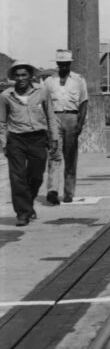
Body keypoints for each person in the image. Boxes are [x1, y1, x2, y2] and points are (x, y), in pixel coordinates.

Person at [0, 62, 61, 226]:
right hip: (16, 139)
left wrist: (54, 138)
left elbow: (50, 116)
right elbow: (2, 122)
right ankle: (23, 213)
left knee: (36, 176)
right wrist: (4, 143)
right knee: (17, 177)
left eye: (24, 75)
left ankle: (27, 203)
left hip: (37, 139)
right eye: (17, 75)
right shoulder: (6, 96)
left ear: (30, 76)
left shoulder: (42, 91)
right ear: (13, 77)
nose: (20, 78)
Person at [42, 49, 89, 204]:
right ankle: (52, 191)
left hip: (72, 117)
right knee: (54, 154)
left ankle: (69, 192)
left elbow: (83, 102)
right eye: (60, 64)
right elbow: (44, 104)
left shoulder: (79, 80)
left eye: (65, 64)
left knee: (70, 157)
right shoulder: (49, 81)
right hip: (54, 117)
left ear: (70, 64)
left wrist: (80, 123)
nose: (63, 67)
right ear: (57, 64)